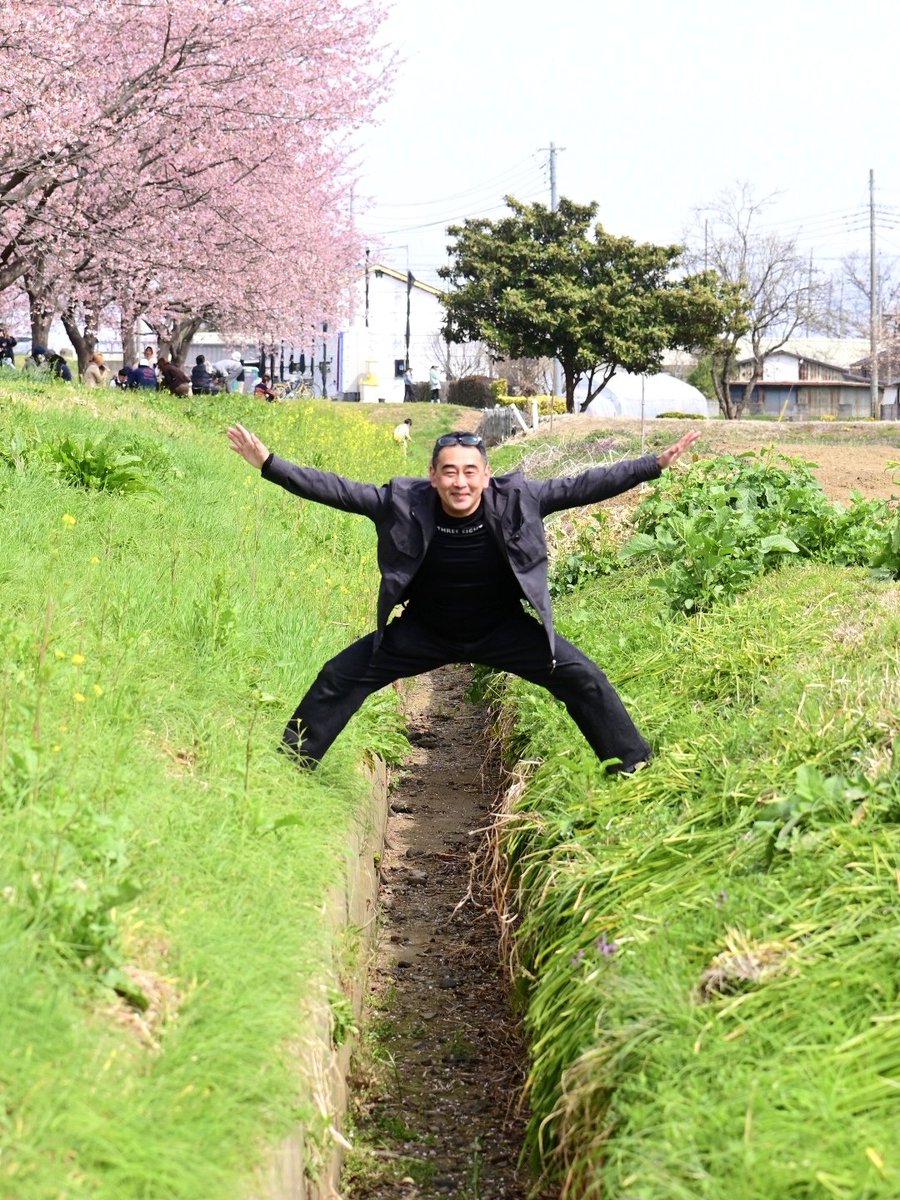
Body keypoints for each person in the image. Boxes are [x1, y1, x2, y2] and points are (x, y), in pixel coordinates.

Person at [226, 423, 700, 771]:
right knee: (338, 676)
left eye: (470, 472)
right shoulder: (401, 502)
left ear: (487, 475)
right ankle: (290, 767)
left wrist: (651, 465)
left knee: (584, 678)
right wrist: (270, 464)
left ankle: (633, 767)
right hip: (424, 631)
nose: (460, 482)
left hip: (502, 629)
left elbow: (585, 486)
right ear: (432, 475)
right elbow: (335, 490)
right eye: (449, 472)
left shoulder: (519, 498)